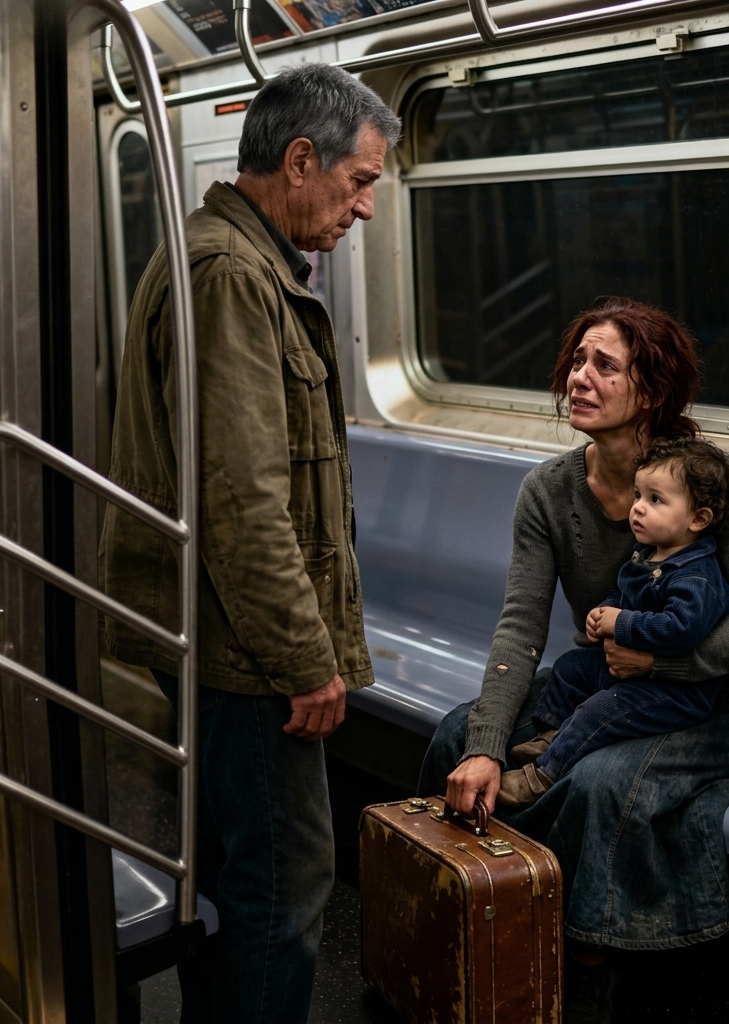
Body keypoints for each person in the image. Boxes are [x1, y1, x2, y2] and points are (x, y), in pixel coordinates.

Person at [99, 65, 401, 1023]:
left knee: (234, 872)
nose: (364, 208)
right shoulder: (233, 276)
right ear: (300, 160)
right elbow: (242, 497)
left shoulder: (228, 259)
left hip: (222, 631)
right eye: (359, 182)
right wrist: (306, 660)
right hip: (244, 651)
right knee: (283, 878)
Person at [417, 296, 729, 1019]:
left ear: (654, 389)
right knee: (459, 736)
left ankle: (587, 969)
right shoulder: (549, 491)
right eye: (578, 360)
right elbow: (521, 626)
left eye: (605, 365)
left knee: (596, 782)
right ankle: (469, 932)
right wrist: (485, 745)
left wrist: (661, 666)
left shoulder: (710, 482)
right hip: (602, 686)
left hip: (707, 701)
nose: (580, 377)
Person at [498, 435, 729, 808]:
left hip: (673, 692)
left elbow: (681, 629)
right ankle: (553, 733)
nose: (638, 508)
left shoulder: (697, 577)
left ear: (698, 519)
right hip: (628, 673)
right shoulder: (648, 554)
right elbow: (625, 591)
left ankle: (544, 773)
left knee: (596, 713)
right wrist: (605, 611)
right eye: (638, 495)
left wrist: (621, 622)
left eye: (655, 500)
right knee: (570, 668)